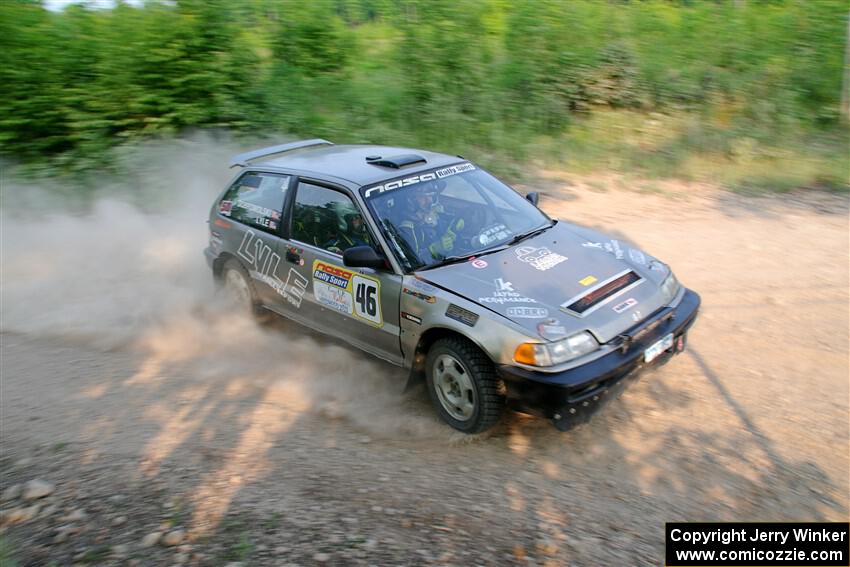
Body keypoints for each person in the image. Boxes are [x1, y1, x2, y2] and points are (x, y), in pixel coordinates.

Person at [398, 181, 465, 261]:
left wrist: (457, 225)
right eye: (423, 197)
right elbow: (411, 261)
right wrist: (433, 250)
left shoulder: (438, 213)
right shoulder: (408, 229)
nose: (429, 201)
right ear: (411, 200)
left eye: (430, 196)